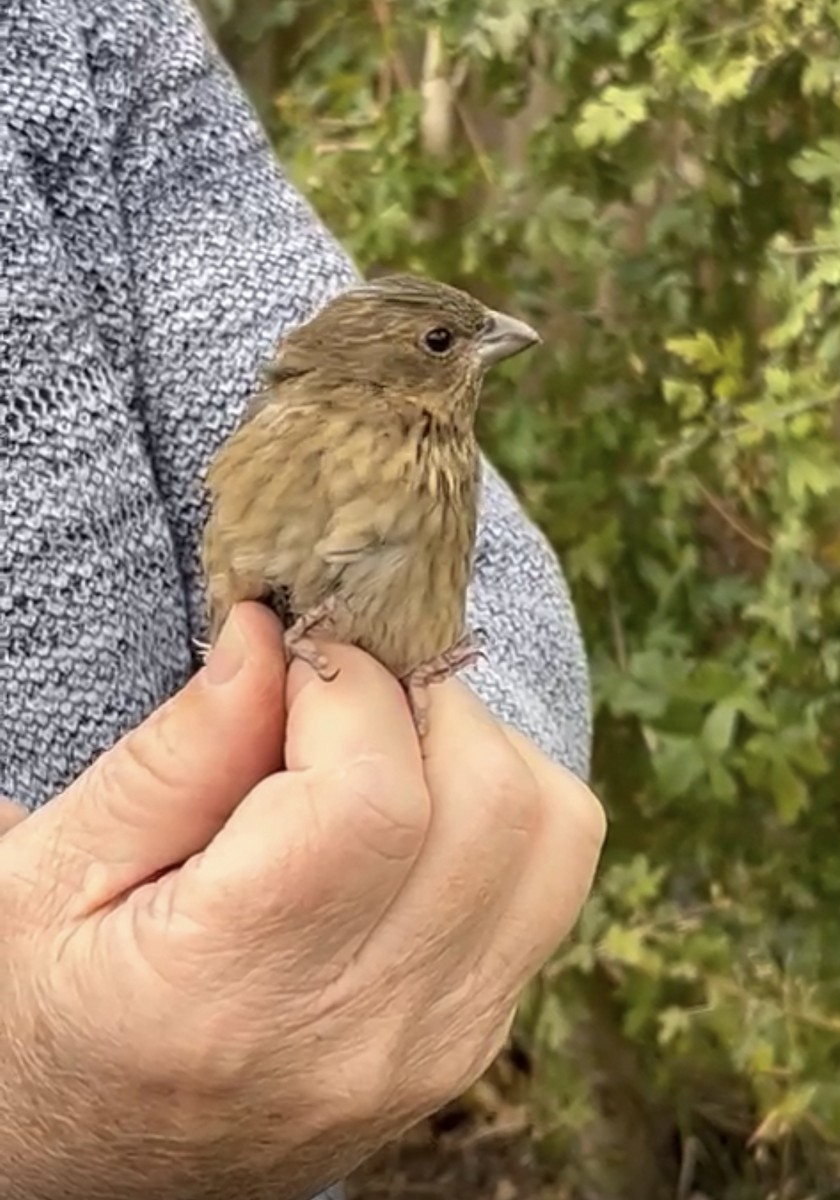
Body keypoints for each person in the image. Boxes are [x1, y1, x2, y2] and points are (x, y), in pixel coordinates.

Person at [0, 0, 606, 1197]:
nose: (486, 350)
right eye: (448, 341)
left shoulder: (78, 34)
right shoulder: (304, 424)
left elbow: (505, 618)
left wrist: (432, 805)